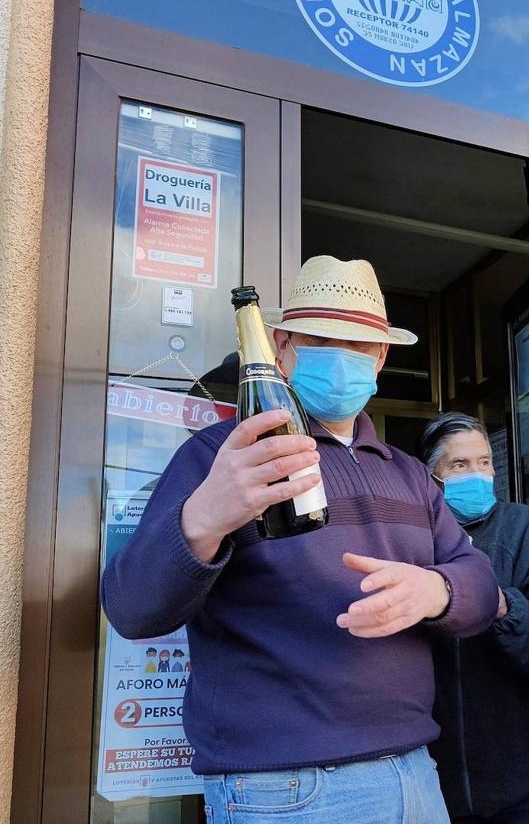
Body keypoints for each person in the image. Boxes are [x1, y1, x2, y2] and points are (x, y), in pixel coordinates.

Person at [102, 256, 499, 823]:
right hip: (282, 789)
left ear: (382, 358)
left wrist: (436, 590)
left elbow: (480, 583)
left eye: (360, 346)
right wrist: (205, 517)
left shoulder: (410, 473)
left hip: (415, 772)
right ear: (281, 346)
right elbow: (131, 609)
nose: (342, 360)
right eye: (321, 341)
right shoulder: (222, 456)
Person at [419, 413, 529, 824]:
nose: (476, 474)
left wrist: (499, 606)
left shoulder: (526, 529)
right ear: (431, 477)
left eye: (484, 462)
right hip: (436, 786)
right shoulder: (411, 539)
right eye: (459, 465)